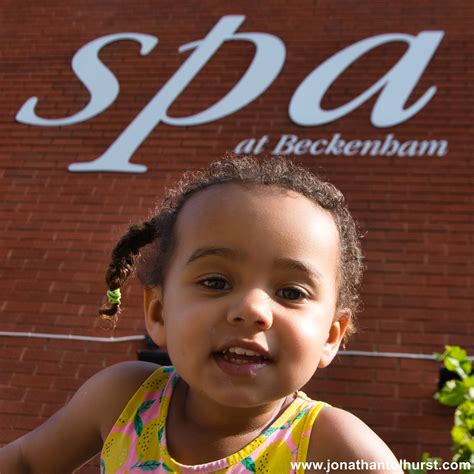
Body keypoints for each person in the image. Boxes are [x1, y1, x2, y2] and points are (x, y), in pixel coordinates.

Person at [0, 156, 402, 473]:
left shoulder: (336, 448)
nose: (252, 310)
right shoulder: (123, 399)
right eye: (216, 282)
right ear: (158, 312)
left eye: (291, 292)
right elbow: (26, 463)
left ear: (331, 337)